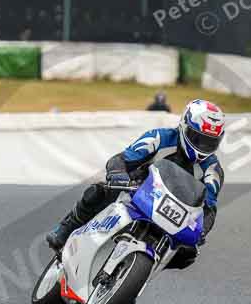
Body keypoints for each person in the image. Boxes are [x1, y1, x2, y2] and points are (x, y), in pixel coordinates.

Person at [46, 99, 225, 269]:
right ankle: (66, 228)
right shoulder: (159, 138)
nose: (203, 146)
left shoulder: (213, 170)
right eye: (198, 138)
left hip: (172, 214)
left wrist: (203, 230)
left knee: (187, 255)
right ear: (184, 126)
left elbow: (209, 208)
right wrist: (118, 174)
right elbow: (121, 159)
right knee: (98, 191)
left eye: (210, 142)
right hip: (136, 192)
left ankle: (139, 274)